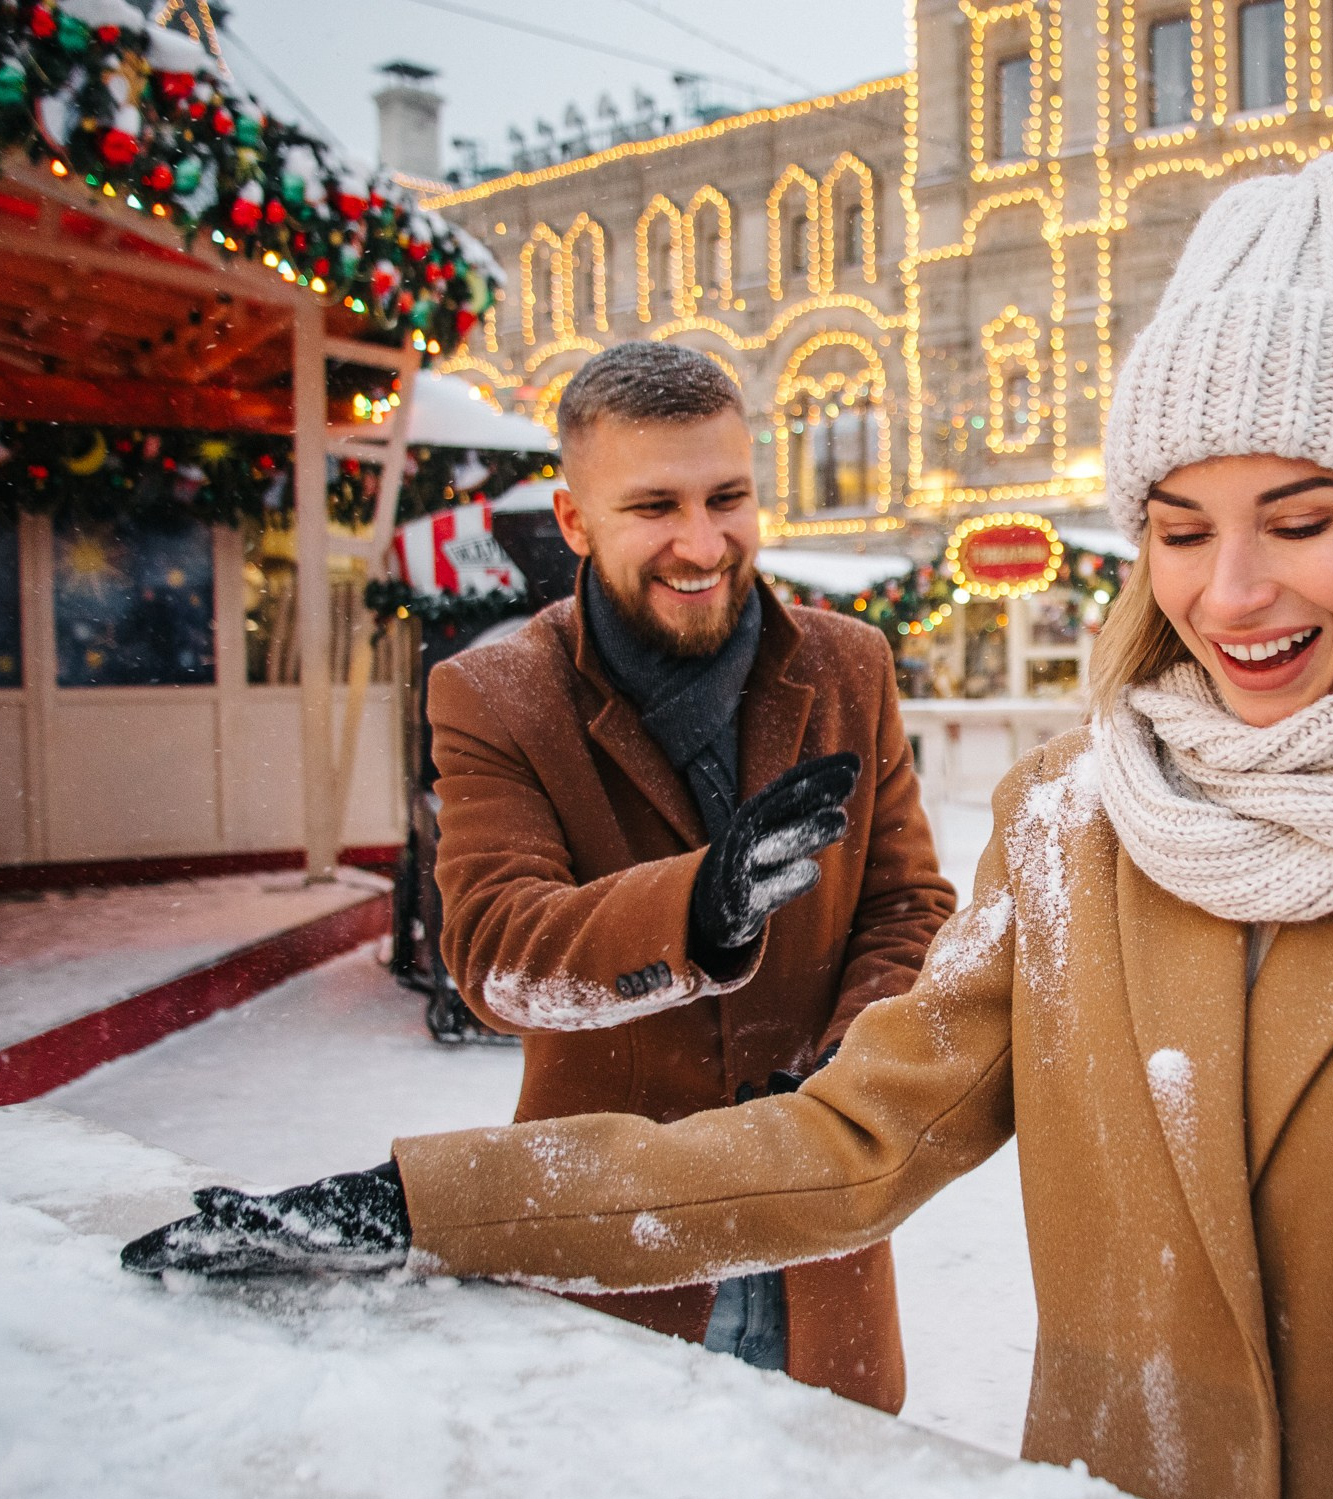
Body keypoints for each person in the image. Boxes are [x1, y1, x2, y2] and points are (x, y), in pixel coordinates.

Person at [128, 158, 1333, 1499]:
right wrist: (425, 1202)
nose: (1234, 592)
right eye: (1180, 529)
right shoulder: (1075, 817)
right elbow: (844, 1144)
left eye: (1301, 516)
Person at [215, 342, 952, 1410]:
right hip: (613, 1253)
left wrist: (844, 1061)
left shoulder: (850, 664)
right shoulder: (497, 693)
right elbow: (497, 952)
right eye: (655, 505)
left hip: (817, 1243)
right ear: (574, 520)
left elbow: (908, 904)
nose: (702, 542)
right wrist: (700, 908)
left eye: (728, 497)